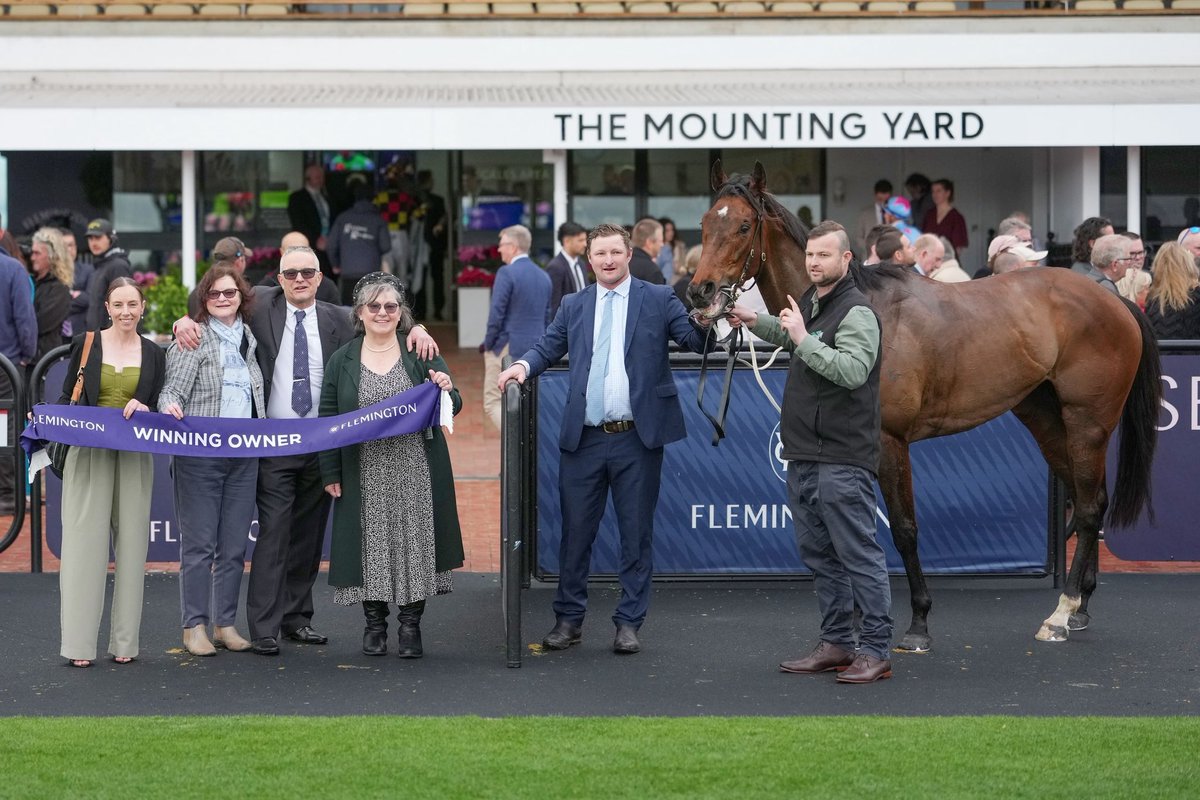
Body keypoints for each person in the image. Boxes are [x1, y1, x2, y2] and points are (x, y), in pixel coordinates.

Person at [172, 245, 438, 656]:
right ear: (278, 279)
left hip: (321, 442)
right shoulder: (258, 306)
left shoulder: (337, 317)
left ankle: (297, 619)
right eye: (291, 272)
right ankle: (263, 627)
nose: (299, 279)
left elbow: (384, 320)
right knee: (275, 532)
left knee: (310, 536)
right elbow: (212, 299)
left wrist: (415, 328)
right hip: (273, 442)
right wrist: (182, 321)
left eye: (307, 272)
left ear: (319, 277)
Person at [496, 223, 714, 656]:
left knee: (636, 535)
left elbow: (694, 339)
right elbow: (547, 347)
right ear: (589, 258)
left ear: (629, 254)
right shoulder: (574, 304)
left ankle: (629, 622)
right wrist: (521, 367)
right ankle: (568, 620)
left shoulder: (658, 298)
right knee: (575, 534)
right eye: (600, 254)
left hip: (637, 439)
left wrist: (710, 315)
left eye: (616, 252)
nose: (608, 260)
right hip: (585, 439)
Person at [725, 220, 892, 684]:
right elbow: (793, 336)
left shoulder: (857, 311)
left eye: (824, 255)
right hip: (804, 456)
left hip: (842, 459)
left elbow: (852, 370)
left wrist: (801, 337)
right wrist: (755, 320)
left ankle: (876, 650)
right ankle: (838, 643)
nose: (814, 262)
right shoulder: (816, 304)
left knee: (859, 556)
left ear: (846, 259)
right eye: (810, 255)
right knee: (820, 557)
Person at [319, 273, 464, 659]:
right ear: (360, 312)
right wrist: (330, 471)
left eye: (391, 306)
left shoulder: (421, 352)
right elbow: (328, 418)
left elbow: (456, 403)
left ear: (401, 313)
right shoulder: (341, 360)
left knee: (413, 545)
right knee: (370, 547)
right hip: (361, 468)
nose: (383, 313)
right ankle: (375, 625)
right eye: (374, 306)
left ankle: (411, 626)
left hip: (415, 464)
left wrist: (446, 389)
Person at [58, 277, 166, 668]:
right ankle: (79, 645)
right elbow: (66, 395)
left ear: (142, 307)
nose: (125, 312)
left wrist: (148, 407)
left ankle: (125, 642)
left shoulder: (155, 353)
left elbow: (157, 400)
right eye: (118, 305)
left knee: (134, 549)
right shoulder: (86, 344)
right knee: (83, 550)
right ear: (107, 307)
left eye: (132, 305)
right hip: (88, 455)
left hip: (135, 455)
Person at [159, 265, 265, 657]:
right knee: (200, 546)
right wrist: (169, 405)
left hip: (244, 455)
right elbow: (172, 388)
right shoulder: (193, 338)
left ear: (242, 297)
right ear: (204, 300)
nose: (223, 299)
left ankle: (225, 623)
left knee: (234, 546)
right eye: (215, 294)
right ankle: (194, 627)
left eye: (230, 293)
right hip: (200, 456)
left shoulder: (250, 339)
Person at [482, 225, 551, 430]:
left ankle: (517, 442)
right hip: (537, 349)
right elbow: (547, 316)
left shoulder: (506, 272)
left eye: (501, 245)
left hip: (507, 346)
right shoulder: (544, 276)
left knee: (493, 401)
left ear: (512, 247)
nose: (499, 250)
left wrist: (488, 344)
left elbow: (497, 314)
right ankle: (530, 440)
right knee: (529, 401)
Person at [328, 178, 392, 306]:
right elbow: (386, 246)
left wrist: (335, 265)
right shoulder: (378, 220)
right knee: (370, 310)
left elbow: (331, 245)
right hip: (371, 274)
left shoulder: (343, 218)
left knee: (349, 312)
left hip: (348, 273)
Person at [257, 232, 341, 306]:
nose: (299, 279)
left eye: (302, 249)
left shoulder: (327, 286)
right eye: (291, 250)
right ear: (281, 280)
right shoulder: (266, 287)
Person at [29, 227, 73, 361]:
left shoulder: (59, 289)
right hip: (29, 359)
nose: (32, 257)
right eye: (32, 252)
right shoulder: (32, 281)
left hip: (44, 364)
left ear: (52, 256)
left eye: (37, 253)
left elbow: (39, 324)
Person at [83, 219, 133, 331]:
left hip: (111, 341)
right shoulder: (100, 266)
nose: (93, 243)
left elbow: (124, 308)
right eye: (90, 239)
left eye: (98, 238)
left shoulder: (118, 266)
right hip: (98, 339)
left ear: (111, 239)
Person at [413, 170, 449, 321]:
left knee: (420, 278)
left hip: (424, 245)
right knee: (436, 278)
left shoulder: (414, 200)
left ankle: (421, 311)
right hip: (434, 244)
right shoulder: (436, 201)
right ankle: (437, 311)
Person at [1145, 242, 1200, 340]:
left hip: (1161, 354)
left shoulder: (1151, 300)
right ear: (1188, 266)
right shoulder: (1196, 297)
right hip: (1193, 353)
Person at [287, 163, 333, 275]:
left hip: (329, 246)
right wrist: (316, 239)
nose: (321, 180)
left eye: (322, 177)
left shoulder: (326, 196)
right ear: (308, 179)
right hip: (310, 247)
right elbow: (298, 223)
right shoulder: (297, 198)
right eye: (317, 177)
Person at [545, 221, 590, 317]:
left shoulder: (581, 264)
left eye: (585, 240)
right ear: (567, 241)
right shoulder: (555, 267)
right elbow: (554, 304)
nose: (585, 244)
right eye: (580, 240)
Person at [921, 178, 968, 260]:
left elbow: (958, 248)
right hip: (928, 262)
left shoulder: (956, 217)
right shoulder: (929, 214)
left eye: (938, 191)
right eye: (933, 191)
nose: (935, 194)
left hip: (948, 261)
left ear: (947, 193)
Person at [63, 228, 93, 340]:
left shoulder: (88, 270)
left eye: (72, 245)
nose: (69, 249)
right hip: (56, 335)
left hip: (81, 333)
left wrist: (64, 299)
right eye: (65, 246)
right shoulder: (51, 273)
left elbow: (88, 299)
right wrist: (74, 294)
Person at [854, 179, 892, 258]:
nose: (883, 203)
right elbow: (858, 237)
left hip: (889, 257)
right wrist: (869, 248)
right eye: (880, 199)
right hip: (869, 257)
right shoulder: (865, 214)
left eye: (886, 201)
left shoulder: (895, 215)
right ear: (875, 195)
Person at [629, 218, 666, 285]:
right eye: (660, 241)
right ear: (649, 243)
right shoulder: (653, 271)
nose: (662, 245)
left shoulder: (623, 264)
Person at [656, 217, 687, 284]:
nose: (671, 233)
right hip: (659, 281)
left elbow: (683, 265)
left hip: (676, 281)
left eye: (672, 230)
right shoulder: (655, 246)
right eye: (667, 230)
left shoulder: (679, 246)